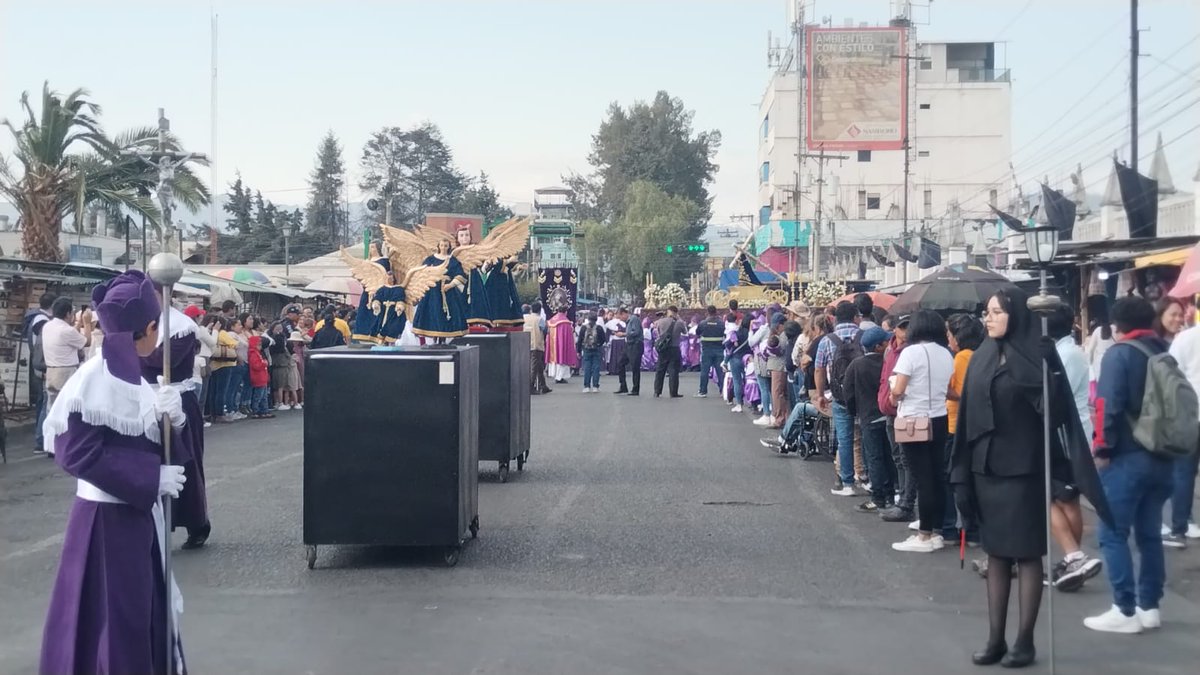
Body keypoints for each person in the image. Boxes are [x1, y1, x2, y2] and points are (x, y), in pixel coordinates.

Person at [40, 270, 188, 675]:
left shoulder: (136, 374)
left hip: (138, 519)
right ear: (151, 327)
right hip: (103, 525)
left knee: (140, 614)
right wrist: (149, 479)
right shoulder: (93, 380)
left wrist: (175, 424)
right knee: (113, 623)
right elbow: (75, 455)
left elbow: (152, 445)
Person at [950, 288, 1106, 666]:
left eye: (996, 312)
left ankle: (1024, 641)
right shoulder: (983, 355)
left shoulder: (1037, 354)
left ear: (1015, 315)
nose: (987, 319)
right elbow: (970, 411)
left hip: (1024, 468)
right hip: (986, 468)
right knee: (997, 554)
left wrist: (1045, 366)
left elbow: (1052, 410)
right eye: (986, 312)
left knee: (1027, 554)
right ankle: (995, 639)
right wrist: (961, 471)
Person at [1085, 296, 1178, 634]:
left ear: (1116, 324)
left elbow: (1107, 404)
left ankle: (1124, 609)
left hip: (1127, 456)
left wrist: (1102, 447)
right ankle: (1149, 606)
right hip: (1163, 456)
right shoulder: (1162, 352)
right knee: (1149, 533)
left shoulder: (1119, 354)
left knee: (1112, 531)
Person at [142, 301, 211, 549]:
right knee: (146, 462)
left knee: (187, 462)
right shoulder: (140, 323)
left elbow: (163, 361)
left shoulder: (183, 327)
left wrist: (128, 354)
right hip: (144, 400)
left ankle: (197, 522)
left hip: (177, 399)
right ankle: (149, 524)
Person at [1045, 305, 1105, 589]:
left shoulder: (1065, 355)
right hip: (1071, 433)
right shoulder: (1070, 351)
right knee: (1066, 498)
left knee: (1053, 496)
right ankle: (1074, 560)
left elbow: (1054, 395)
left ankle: (1074, 555)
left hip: (1064, 435)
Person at [887, 309, 953, 553]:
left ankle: (924, 535)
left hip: (914, 420)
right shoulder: (946, 353)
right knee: (936, 475)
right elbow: (947, 388)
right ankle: (936, 529)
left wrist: (894, 394)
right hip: (939, 418)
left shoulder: (910, 352)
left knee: (921, 477)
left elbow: (899, 390)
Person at [845, 326, 895, 513]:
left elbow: (848, 392)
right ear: (879, 346)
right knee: (890, 455)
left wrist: (854, 412)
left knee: (874, 457)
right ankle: (891, 494)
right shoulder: (888, 363)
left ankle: (878, 497)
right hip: (888, 414)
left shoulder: (856, 365)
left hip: (868, 416)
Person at [814, 301, 862, 494]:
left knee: (844, 438)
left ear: (835, 318)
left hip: (840, 395)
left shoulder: (828, 340)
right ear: (855, 317)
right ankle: (869, 478)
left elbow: (818, 368)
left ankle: (847, 482)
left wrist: (820, 395)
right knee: (866, 436)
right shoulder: (863, 337)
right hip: (864, 395)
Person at [945, 313, 984, 547]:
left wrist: (943, 390)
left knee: (957, 478)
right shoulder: (980, 356)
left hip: (955, 423)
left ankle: (968, 528)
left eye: (950, 334)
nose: (948, 339)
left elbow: (959, 393)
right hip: (971, 423)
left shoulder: (961, 358)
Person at [1165, 298, 1200, 546]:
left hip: (1188, 413)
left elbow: (1170, 373)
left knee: (1184, 472)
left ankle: (1180, 526)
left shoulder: (1184, 339)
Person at [41, 298, 94, 456]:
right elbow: (87, 342)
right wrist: (87, 323)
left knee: (52, 409)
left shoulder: (48, 326)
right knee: (67, 411)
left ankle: (50, 444)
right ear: (68, 313)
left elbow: (70, 334)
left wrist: (77, 325)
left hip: (51, 371)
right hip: (66, 372)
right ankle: (65, 445)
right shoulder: (67, 331)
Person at [878, 314, 913, 522]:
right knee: (897, 457)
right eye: (902, 326)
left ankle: (907, 501)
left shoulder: (912, 351)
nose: (905, 331)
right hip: (890, 409)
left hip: (905, 409)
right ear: (895, 330)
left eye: (908, 326)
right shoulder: (890, 350)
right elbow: (885, 377)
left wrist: (892, 397)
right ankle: (902, 496)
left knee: (906, 458)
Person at [653, 305, 686, 398]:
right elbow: (685, 332)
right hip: (674, 348)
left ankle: (657, 391)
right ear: (676, 313)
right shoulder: (679, 322)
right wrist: (679, 319)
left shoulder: (660, 321)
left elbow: (658, 333)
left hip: (663, 348)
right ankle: (673, 392)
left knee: (660, 370)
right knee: (673, 371)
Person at [695, 305, 725, 398]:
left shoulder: (703, 323)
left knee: (705, 371)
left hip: (706, 350)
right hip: (719, 349)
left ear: (707, 312)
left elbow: (697, 333)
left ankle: (703, 391)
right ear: (716, 312)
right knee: (720, 371)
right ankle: (722, 391)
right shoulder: (721, 323)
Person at [725, 313, 753, 412]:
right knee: (749, 380)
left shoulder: (736, 332)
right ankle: (751, 401)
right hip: (749, 359)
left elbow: (728, 344)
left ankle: (739, 404)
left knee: (737, 381)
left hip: (736, 358)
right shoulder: (752, 333)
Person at [523, 302, 552, 395]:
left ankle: (543, 386)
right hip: (536, 345)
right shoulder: (539, 319)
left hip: (525, 344)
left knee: (539, 366)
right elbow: (546, 330)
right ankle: (531, 386)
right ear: (540, 310)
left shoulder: (525, 318)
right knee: (534, 367)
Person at [545, 305, 578, 384]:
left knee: (555, 358)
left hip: (553, 345)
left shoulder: (552, 320)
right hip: (562, 345)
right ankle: (560, 377)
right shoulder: (565, 322)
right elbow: (569, 336)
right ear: (565, 312)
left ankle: (555, 375)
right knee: (562, 358)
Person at [576, 312, 607, 393]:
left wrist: (578, 351)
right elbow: (603, 339)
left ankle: (586, 386)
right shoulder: (599, 328)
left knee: (587, 367)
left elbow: (579, 340)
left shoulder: (583, 328)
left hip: (586, 349)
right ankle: (595, 386)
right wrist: (599, 344)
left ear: (588, 319)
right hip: (596, 349)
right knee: (596, 367)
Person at [622, 308, 644, 396]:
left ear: (624, 313)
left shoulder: (634, 319)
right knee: (621, 363)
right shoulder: (628, 321)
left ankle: (636, 388)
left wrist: (625, 334)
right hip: (629, 344)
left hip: (635, 344)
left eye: (621, 317)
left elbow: (636, 332)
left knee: (635, 367)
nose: (621, 319)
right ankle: (623, 386)